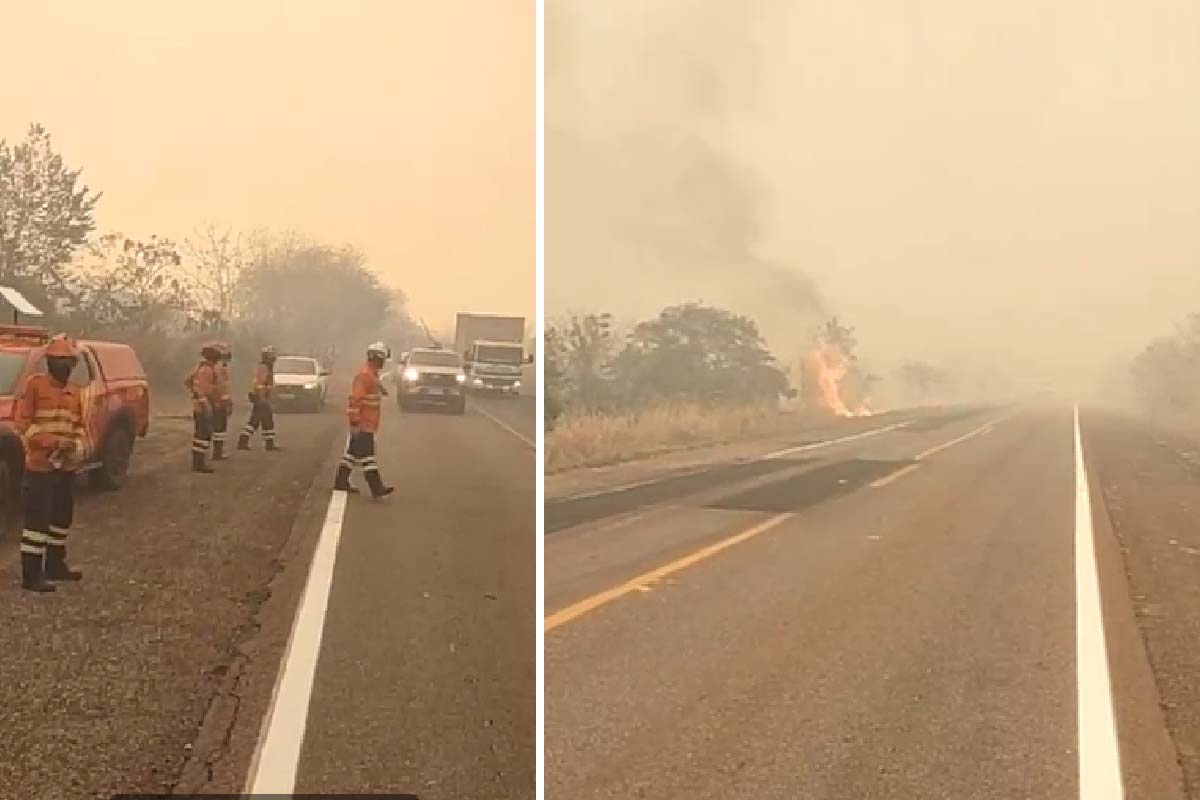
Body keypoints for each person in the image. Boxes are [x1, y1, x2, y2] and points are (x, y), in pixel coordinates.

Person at [15, 334, 86, 592]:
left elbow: (78, 425)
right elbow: (23, 424)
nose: (62, 366)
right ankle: (31, 576)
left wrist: (77, 446)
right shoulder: (35, 386)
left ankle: (55, 565)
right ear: (49, 363)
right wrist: (52, 442)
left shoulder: (76, 391)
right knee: (37, 521)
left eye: (67, 361)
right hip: (39, 466)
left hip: (65, 466)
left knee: (61, 517)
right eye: (57, 361)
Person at [333, 341, 394, 499]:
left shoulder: (371, 374)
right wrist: (354, 422)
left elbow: (371, 387)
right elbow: (355, 399)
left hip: (367, 422)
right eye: (382, 359)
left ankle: (341, 481)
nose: (383, 363)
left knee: (351, 453)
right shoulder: (365, 375)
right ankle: (376, 487)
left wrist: (380, 388)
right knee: (368, 457)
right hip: (363, 423)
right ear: (376, 358)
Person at [187, 343, 223, 473]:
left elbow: (188, 381)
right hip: (204, 405)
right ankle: (198, 464)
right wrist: (206, 405)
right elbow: (203, 390)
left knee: (202, 434)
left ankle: (199, 462)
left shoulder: (199, 368)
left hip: (201, 404)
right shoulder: (207, 370)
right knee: (202, 435)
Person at [238, 346, 281, 451]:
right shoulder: (264, 368)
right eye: (271, 356)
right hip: (261, 398)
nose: (273, 358)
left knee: (263, 421)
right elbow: (260, 384)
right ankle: (244, 442)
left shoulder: (267, 368)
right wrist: (263, 399)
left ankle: (268, 444)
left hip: (262, 398)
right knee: (257, 422)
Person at [212, 342, 233, 461]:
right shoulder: (219, 368)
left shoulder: (219, 367)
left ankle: (218, 452)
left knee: (220, 428)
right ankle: (217, 453)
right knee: (219, 428)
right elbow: (220, 387)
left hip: (219, 401)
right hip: (218, 402)